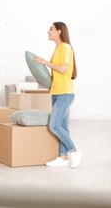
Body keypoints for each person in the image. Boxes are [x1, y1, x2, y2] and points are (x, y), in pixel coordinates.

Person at [34, 22, 82, 168]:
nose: (48, 31)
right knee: (62, 126)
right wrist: (45, 80)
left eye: (51, 29)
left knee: (54, 125)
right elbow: (58, 74)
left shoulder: (65, 47)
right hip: (56, 93)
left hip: (65, 94)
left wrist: (45, 62)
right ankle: (63, 157)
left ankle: (74, 150)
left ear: (59, 32)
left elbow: (62, 69)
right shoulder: (57, 48)